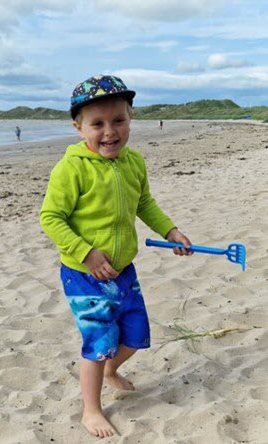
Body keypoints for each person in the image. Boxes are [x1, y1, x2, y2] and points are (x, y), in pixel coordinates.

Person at [39, 74, 192, 439]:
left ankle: (111, 371)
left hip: (123, 270)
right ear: (78, 128)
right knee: (98, 343)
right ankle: (91, 409)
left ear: (131, 119)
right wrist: (86, 253)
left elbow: (144, 203)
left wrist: (170, 231)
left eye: (118, 121)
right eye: (97, 124)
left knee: (136, 335)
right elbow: (50, 217)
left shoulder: (133, 162)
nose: (110, 132)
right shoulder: (71, 168)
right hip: (84, 274)